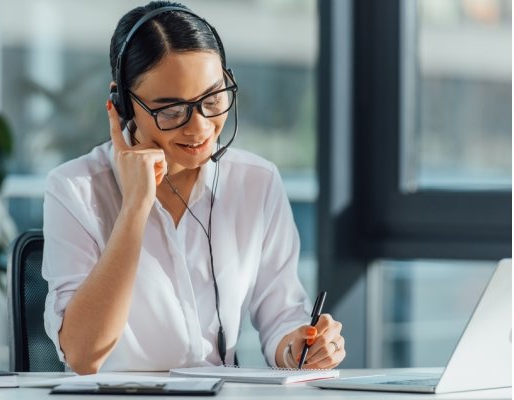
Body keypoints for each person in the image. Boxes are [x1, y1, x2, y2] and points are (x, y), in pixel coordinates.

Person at [42, 1, 345, 374]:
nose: (199, 128)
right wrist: (135, 206)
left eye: (213, 100)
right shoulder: (75, 190)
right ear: (120, 105)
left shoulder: (256, 182)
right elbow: (82, 355)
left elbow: (281, 315)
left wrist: (299, 348)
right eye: (171, 111)